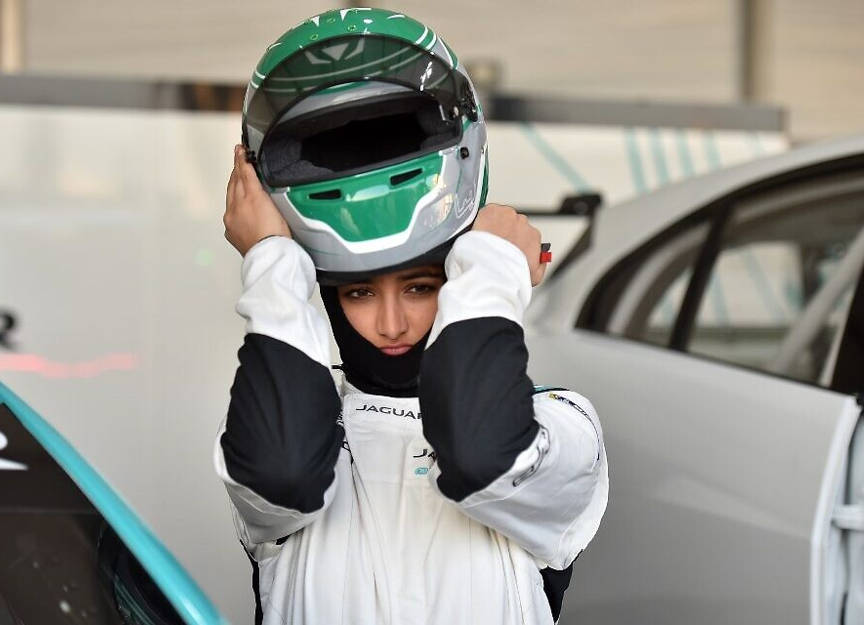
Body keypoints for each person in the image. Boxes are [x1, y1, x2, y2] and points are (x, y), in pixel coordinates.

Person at [214, 9, 607, 625]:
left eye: (421, 286)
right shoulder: (286, 427)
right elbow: (284, 476)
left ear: (461, 278)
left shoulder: (559, 424)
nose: (392, 324)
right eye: (359, 293)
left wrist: (490, 264)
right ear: (323, 291)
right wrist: (271, 260)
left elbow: (483, 456)